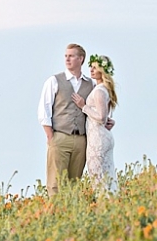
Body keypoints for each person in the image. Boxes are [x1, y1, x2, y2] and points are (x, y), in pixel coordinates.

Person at [37, 44, 113, 196]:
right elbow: (44, 110)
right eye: (66, 56)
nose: (67, 59)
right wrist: (51, 137)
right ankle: (55, 210)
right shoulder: (54, 81)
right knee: (55, 182)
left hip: (82, 140)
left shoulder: (91, 84)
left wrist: (108, 120)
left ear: (81, 59)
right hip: (60, 136)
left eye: (71, 56)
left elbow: (97, 108)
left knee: (74, 183)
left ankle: (71, 210)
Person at [72, 54, 118, 192]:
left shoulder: (99, 91)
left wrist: (83, 106)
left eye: (95, 68)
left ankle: (106, 201)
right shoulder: (103, 89)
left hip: (98, 139)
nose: (91, 70)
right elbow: (104, 116)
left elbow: (101, 117)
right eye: (91, 67)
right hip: (100, 135)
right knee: (106, 176)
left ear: (102, 71)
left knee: (98, 176)